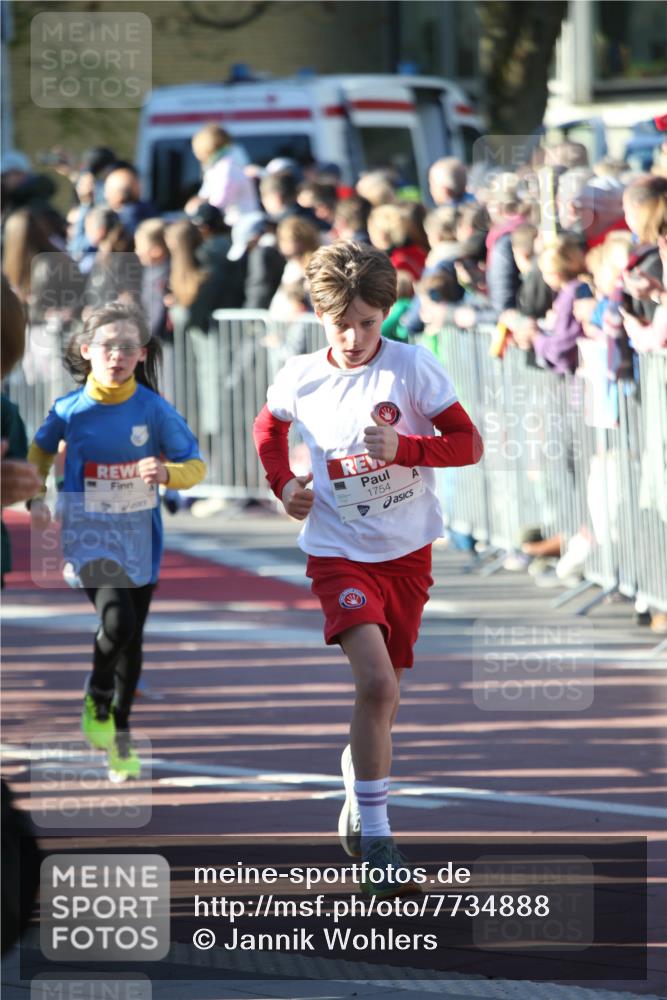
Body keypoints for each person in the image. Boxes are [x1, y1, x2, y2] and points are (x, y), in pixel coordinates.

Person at [253, 241, 483, 897]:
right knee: (377, 686)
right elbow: (267, 429)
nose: (353, 338)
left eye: (366, 323)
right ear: (318, 316)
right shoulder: (302, 374)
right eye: (339, 324)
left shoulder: (412, 369)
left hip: (406, 553)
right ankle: (379, 839)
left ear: (384, 314)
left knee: (384, 699)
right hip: (336, 552)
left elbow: (468, 444)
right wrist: (282, 483)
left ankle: (360, 786)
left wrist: (407, 446)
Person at [26, 301, 206, 781]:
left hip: (139, 537)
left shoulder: (153, 409)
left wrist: (167, 471)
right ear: (87, 350)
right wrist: (36, 494)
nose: (117, 355)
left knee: (131, 636)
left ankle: (119, 736)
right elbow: (39, 452)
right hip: (88, 535)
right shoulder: (70, 409)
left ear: (141, 354)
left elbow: (195, 463)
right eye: (108, 346)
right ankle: (98, 694)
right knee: (117, 618)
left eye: (128, 347)